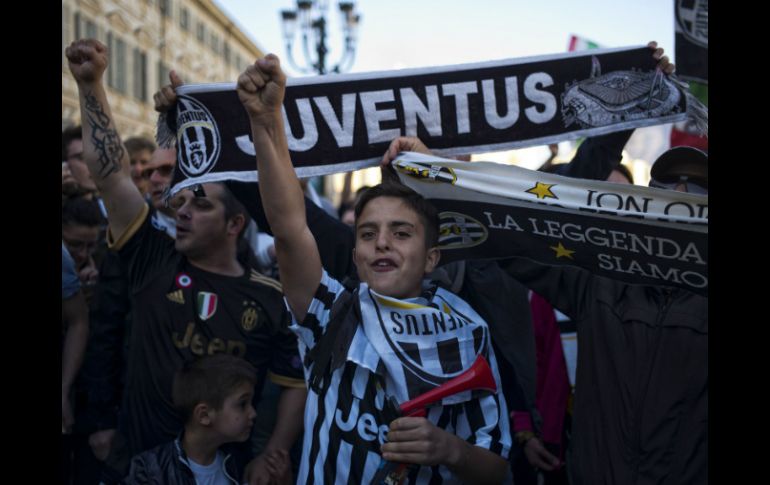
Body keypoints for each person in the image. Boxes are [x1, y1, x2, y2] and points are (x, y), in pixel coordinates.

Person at [237, 53, 511, 484]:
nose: (381, 242)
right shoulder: (331, 311)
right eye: (368, 234)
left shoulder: (468, 329)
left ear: (432, 257)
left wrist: (450, 449)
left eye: (401, 233)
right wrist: (266, 120)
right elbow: (289, 227)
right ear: (355, 254)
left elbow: (497, 470)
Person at [65, 38, 307, 484]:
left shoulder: (268, 297)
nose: (182, 209)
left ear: (235, 224)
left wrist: (272, 453)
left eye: (200, 204)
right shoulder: (150, 257)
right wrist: (91, 83)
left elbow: (294, 383)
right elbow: (110, 175)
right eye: (180, 201)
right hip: (139, 468)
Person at [123, 354, 292, 484]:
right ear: (204, 415)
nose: (253, 413)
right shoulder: (150, 471)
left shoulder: (238, 466)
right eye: (242, 404)